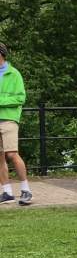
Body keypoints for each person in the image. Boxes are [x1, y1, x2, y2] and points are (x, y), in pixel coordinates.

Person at [0, 42, 31, 206]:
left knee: (12, 153)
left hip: (9, 119)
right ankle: (7, 192)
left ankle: (26, 190)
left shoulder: (14, 74)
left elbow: (20, 98)